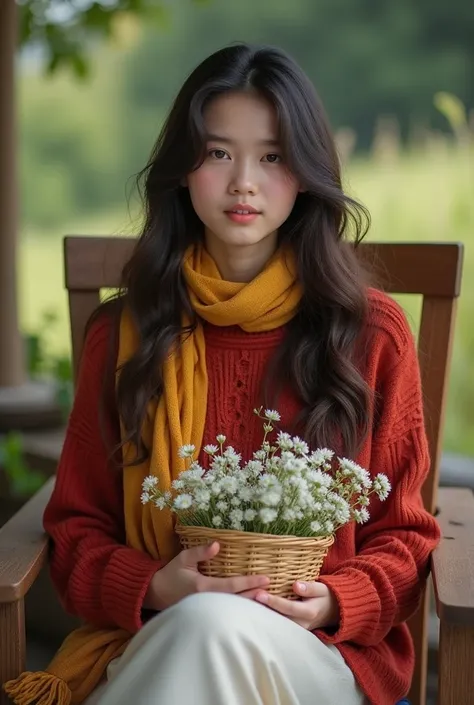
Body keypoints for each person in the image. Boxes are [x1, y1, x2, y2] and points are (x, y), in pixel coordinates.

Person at [4, 43, 440, 705]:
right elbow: (75, 532)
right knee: (203, 627)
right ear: (183, 168)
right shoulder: (124, 337)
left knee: (211, 629)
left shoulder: (370, 334)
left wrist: (334, 599)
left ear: (307, 172)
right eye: (217, 153)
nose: (244, 182)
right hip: (160, 635)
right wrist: (155, 585)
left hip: (320, 656)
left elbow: (406, 536)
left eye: (273, 156)